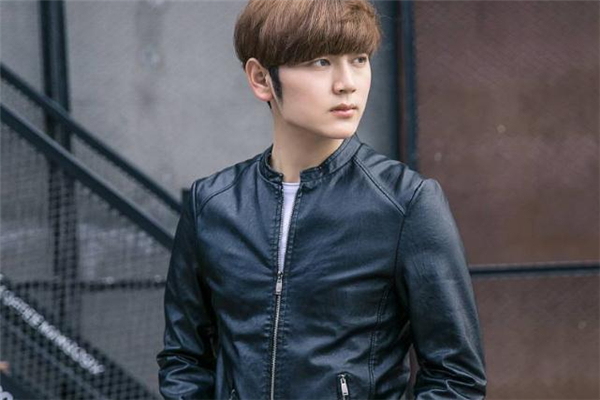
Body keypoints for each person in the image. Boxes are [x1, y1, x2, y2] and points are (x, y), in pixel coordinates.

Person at [156, 0, 487, 399]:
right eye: (321, 62)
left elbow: (455, 377)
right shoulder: (212, 205)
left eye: (359, 59)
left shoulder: (405, 204)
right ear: (261, 78)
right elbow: (184, 359)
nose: (347, 83)